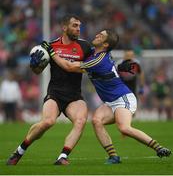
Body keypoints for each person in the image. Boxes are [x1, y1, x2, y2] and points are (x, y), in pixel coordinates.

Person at [51, 29, 171, 164]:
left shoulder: (98, 60)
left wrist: (52, 52)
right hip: (110, 101)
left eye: (101, 35)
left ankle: (158, 148)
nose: (97, 35)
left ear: (106, 44)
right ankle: (113, 156)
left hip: (123, 98)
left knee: (124, 128)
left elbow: (70, 67)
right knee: (97, 120)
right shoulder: (93, 55)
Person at [6, 14, 92, 166]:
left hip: (74, 96)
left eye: (79, 26)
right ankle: (19, 151)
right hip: (55, 93)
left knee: (80, 121)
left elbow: (91, 66)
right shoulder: (50, 46)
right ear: (64, 27)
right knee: (48, 122)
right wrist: (35, 65)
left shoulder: (85, 47)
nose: (78, 29)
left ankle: (63, 156)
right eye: (75, 26)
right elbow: (37, 71)